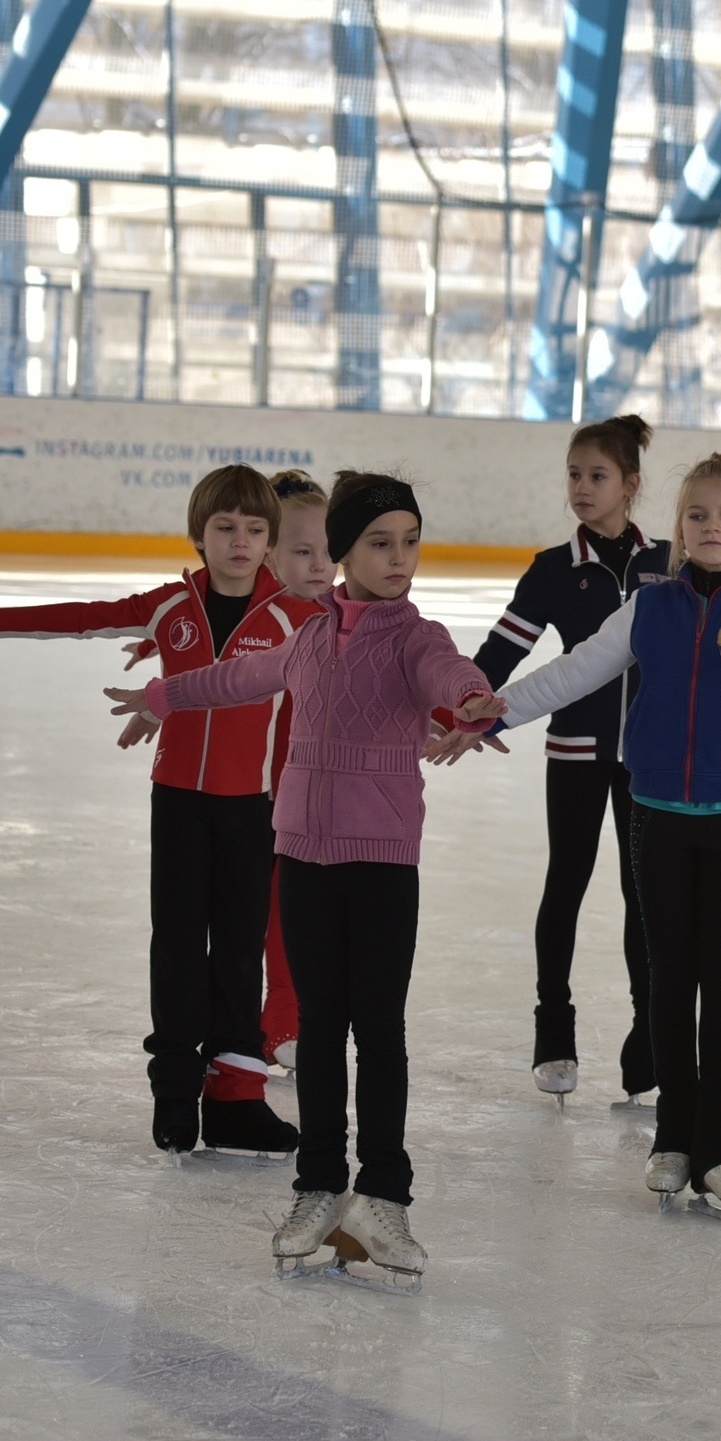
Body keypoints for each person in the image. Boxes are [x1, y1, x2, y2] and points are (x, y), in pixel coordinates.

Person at [455, 452, 721, 1220]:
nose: (712, 527)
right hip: (655, 823)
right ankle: (674, 1135)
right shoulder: (648, 609)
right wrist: (499, 708)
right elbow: (574, 671)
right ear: (678, 529)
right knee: (670, 979)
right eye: (698, 515)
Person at [116, 471, 495, 1289]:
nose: (401, 558)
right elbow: (231, 681)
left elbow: (448, 671)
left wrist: (470, 697)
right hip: (305, 857)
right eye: (381, 543)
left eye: (411, 541)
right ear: (344, 552)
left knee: (380, 1031)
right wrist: (162, 694)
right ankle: (319, 1188)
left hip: (383, 861)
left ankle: (384, 1197)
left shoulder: (414, 636)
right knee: (319, 1031)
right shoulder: (310, 637)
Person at [0, 465, 309, 1160]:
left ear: (269, 541)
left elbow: (372, 662)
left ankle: (235, 1100)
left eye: (255, 529)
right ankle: (174, 1091)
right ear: (199, 535)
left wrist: (451, 708)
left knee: (237, 951)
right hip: (177, 802)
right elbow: (88, 616)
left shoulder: (295, 618)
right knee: (176, 944)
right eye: (225, 527)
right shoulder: (171, 606)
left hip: (250, 810)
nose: (240, 541)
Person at [472, 415, 669, 1106]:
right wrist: (459, 704)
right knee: (568, 882)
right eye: (574, 474)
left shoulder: (666, 565)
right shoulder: (555, 570)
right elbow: (501, 652)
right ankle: (553, 1027)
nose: (582, 488)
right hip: (578, 752)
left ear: (631, 485)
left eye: (598, 475)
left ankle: (650, 1032)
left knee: (644, 896)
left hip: (648, 758)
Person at [257, 469, 337, 1073]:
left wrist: (458, 714)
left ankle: (285, 1019)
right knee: (250, 913)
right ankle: (258, 1023)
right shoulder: (258, 614)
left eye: (328, 552)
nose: (319, 566)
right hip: (244, 791)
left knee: (294, 911)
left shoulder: (344, 615)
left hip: (310, 794)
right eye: (302, 552)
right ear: (270, 553)